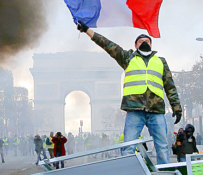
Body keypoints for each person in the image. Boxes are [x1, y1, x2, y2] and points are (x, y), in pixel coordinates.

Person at [77, 22, 182, 165]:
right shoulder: (128, 57)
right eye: (141, 41)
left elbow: (170, 87)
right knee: (128, 147)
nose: (144, 42)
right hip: (134, 109)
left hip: (156, 109)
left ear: (151, 44)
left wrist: (177, 107)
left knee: (162, 147)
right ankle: (129, 174)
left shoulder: (161, 61)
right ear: (136, 45)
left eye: (147, 40)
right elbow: (107, 44)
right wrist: (88, 31)